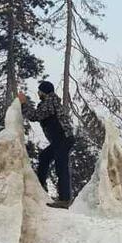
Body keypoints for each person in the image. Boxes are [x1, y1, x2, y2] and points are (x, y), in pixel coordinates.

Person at [19, 81, 75, 209]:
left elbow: (35, 116)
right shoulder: (49, 102)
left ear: (44, 91)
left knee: (61, 167)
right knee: (44, 157)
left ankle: (64, 199)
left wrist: (23, 103)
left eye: (39, 91)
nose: (38, 93)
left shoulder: (50, 102)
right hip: (60, 140)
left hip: (63, 139)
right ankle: (41, 187)